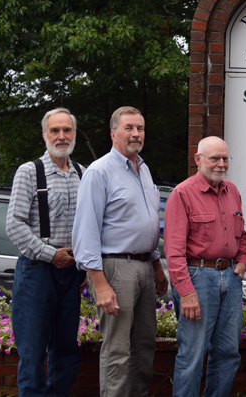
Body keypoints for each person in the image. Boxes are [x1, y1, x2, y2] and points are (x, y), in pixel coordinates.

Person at [73, 106, 169, 396]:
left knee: (144, 346)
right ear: (113, 133)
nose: (136, 133)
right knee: (118, 349)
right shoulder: (99, 172)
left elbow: (146, 222)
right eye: (129, 128)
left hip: (144, 265)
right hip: (114, 268)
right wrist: (99, 284)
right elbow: (85, 232)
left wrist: (156, 265)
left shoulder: (144, 168)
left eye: (140, 128)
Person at [163, 136, 246, 397]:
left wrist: (243, 260)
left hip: (231, 277)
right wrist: (186, 292)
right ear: (198, 160)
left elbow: (241, 234)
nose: (221, 163)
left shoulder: (232, 190)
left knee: (228, 353)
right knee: (192, 354)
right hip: (198, 278)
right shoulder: (182, 193)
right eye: (214, 158)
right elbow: (174, 251)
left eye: (225, 158)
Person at [6, 107, 83, 397]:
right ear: (44, 134)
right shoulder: (29, 171)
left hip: (72, 272)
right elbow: (14, 224)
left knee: (66, 350)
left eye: (67, 130)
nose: (61, 136)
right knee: (33, 351)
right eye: (55, 130)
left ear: (74, 134)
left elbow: (91, 226)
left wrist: (85, 265)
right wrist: (50, 254)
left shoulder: (82, 173)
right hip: (36, 271)